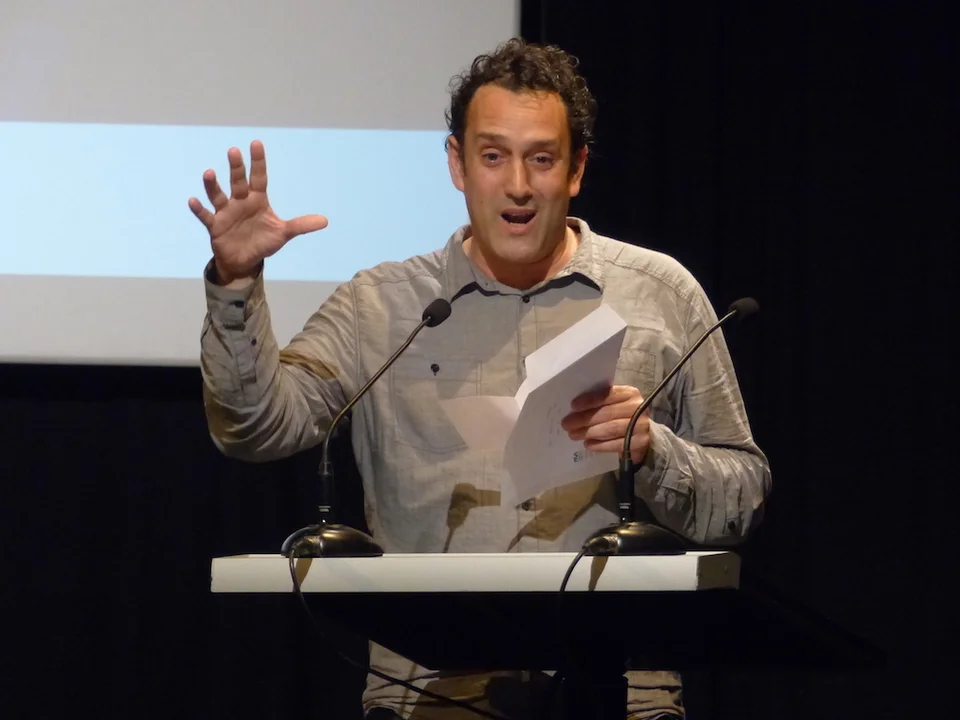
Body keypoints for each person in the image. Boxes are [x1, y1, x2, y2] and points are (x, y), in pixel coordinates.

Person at [193, 38, 770, 720]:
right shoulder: (380, 307)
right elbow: (254, 429)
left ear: (577, 169)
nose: (518, 185)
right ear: (456, 164)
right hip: (429, 694)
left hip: (616, 692)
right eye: (493, 156)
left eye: (542, 159)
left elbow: (742, 499)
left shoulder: (660, 294)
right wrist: (236, 282)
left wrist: (654, 452)